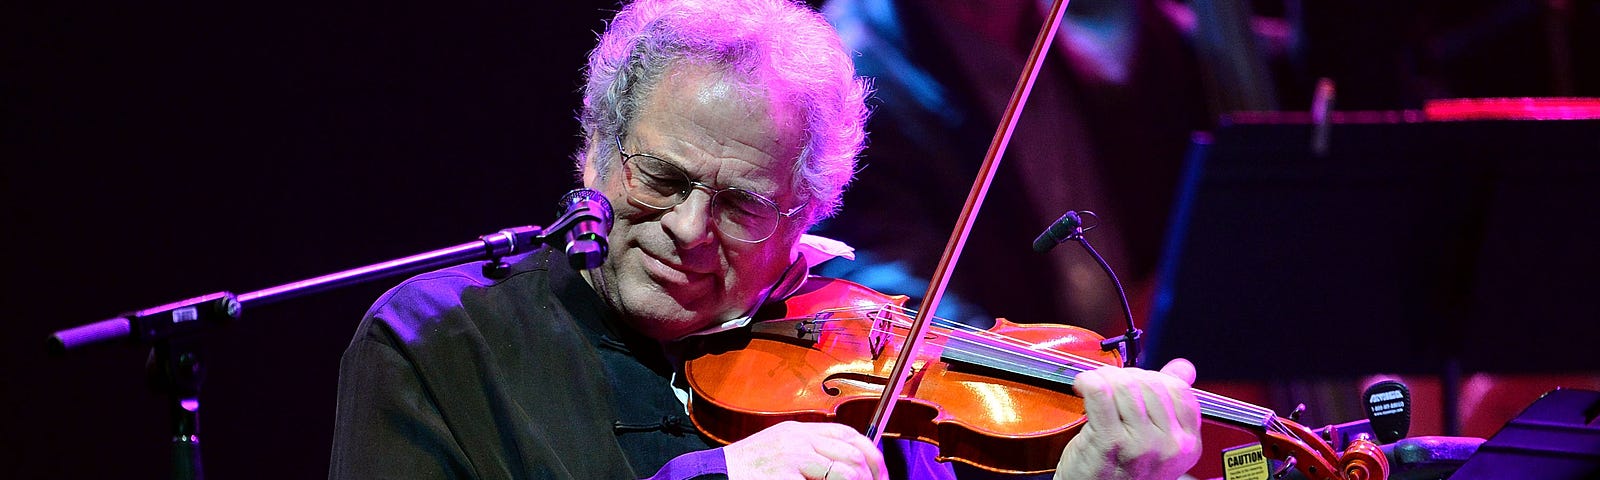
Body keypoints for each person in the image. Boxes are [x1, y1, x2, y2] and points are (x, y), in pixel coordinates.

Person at [328, 1, 1201, 479]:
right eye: (660, 179)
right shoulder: (437, 342)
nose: (689, 232)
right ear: (594, 150)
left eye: (744, 206)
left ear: (808, 212)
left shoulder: (869, 373)